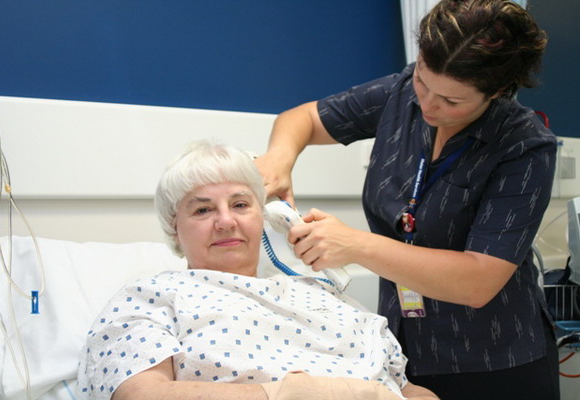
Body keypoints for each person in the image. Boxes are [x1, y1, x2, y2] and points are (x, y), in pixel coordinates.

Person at [254, 1, 560, 399]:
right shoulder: (401, 93)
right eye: (423, 81)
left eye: (452, 102)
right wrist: (280, 157)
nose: (429, 106)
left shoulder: (524, 145)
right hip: (402, 349)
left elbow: (478, 281)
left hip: (493, 360)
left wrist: (356, 245)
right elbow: (303, 118)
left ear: (498, 91)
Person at [76, 140, 439, 400]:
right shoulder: (151, 298)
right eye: (202, 210)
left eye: (240, 204)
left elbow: (403, 384)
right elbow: (141, 394)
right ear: (174, 226)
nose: (225, 221)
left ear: (263, 215)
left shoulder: (321, 293)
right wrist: (294, 393)